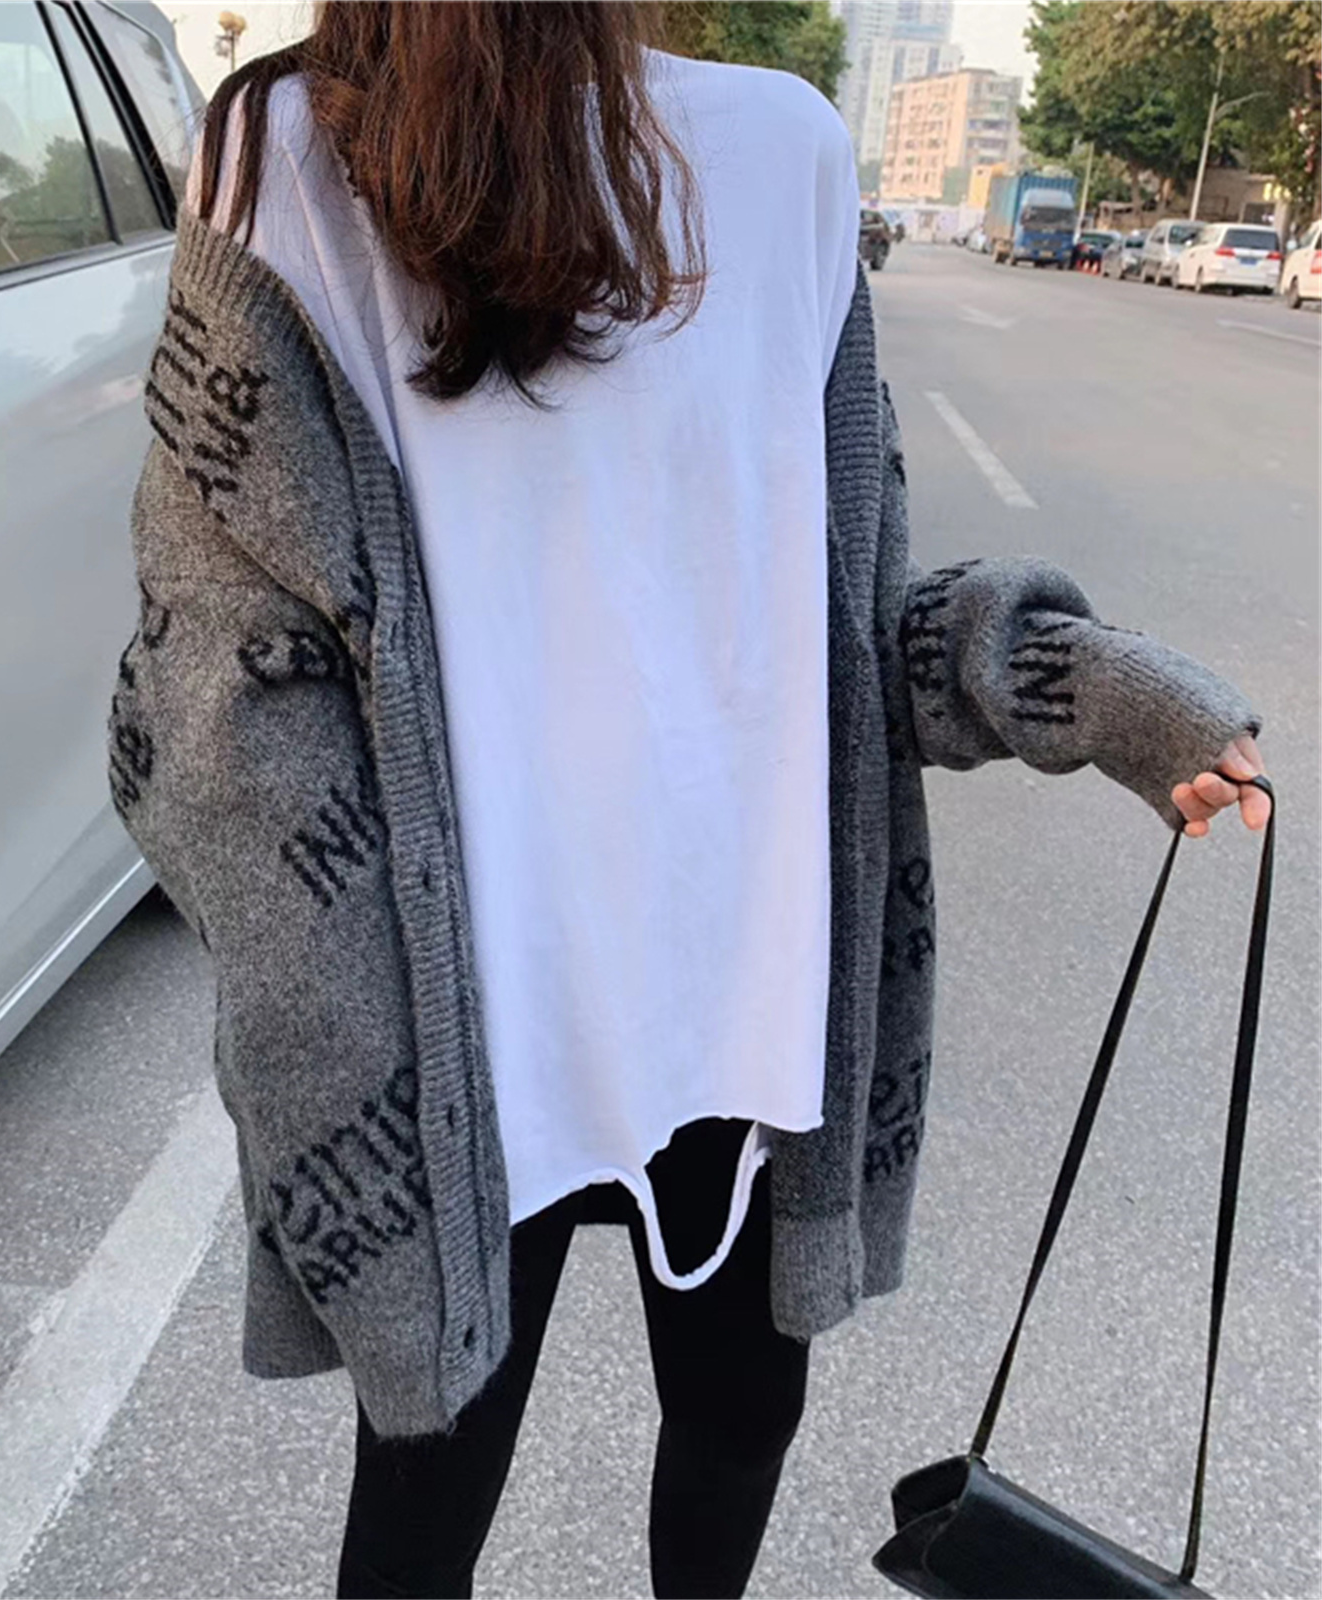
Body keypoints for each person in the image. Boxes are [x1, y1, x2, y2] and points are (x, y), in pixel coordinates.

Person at [104, 5, 1270, 1595]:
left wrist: (1094, 693)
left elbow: (842, 627)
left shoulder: (784, 153)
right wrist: (322, 988)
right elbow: (214, 678)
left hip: (739, 972)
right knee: (429, 1490)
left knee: (734, 1421)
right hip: (457, 1009)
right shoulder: (287, 158)